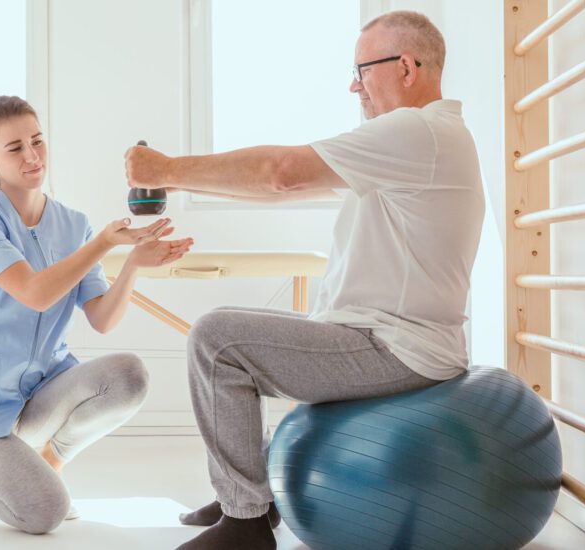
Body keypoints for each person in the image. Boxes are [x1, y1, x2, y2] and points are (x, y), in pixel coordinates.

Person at [124, 11, 484, 550]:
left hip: (395, 348)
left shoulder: (418, 131)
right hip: (382, 338)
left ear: (406, 67)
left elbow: (280, 173)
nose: (353, 84)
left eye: (362, 69)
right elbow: (280, 185)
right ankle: (244, 499)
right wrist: (176, 178)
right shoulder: (416, 143)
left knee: (217, 340)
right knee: (233, 334)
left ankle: (245, 523)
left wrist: (167, 169)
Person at [0, 95, 193, 535]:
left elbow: (102, 319)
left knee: (127, 375)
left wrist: (134, 262)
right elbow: (35, 294)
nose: (32, 155)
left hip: (37, 396)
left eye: (37, 141)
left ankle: (49, 459)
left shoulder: (72, 222)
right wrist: (102, 243)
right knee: (45, 513)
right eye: (15, 147)